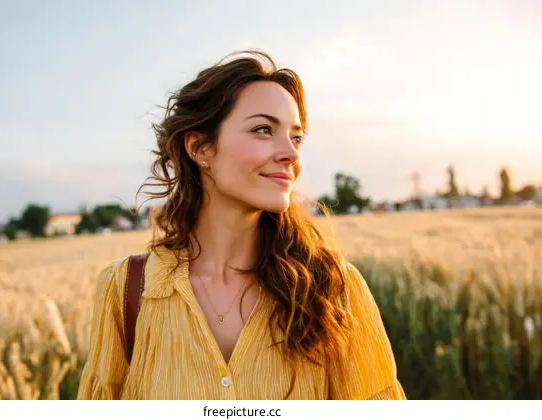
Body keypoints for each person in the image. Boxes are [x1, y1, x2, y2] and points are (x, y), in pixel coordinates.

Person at [77, 50, 406, 400]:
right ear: (200, 146)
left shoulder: (334, 290)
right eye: (263, 130)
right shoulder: (127, 291)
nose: (291, 155)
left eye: (296, 137)